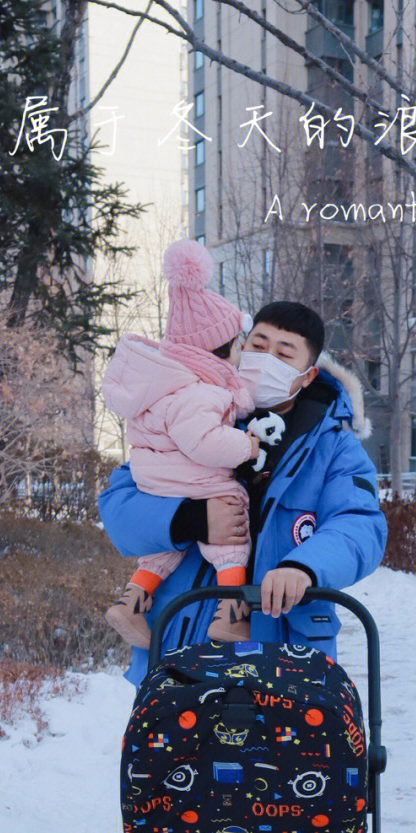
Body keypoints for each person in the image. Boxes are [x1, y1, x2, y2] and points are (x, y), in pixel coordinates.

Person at [98, 298, 387, 687]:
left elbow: (361, 525)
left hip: (283, 659)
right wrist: (192, 519)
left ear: (307, 374)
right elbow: (119, 507)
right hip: (181, 649)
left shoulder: (333, 447)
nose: (265, 358)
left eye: (284, 353)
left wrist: (304, 566)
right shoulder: (192, 410)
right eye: (258, 344)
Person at [100, 239, 277, 646]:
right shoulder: (201, 392)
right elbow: (204, 443)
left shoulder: (169, 385)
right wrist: (247, 446)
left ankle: (132, 602)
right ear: (217, 350)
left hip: (157, 479)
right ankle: (231, 611)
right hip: (191, 480)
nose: (242, 356)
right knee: (231, 533)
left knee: (164, 551)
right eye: (239, 346)